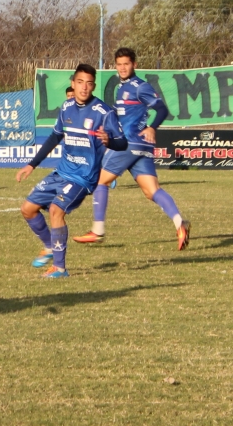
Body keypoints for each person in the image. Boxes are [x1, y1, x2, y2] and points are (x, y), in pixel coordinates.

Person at [15, 63, 127, 278]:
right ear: (73, 84)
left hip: (83, 178)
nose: (84, 87)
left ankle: (60, 268)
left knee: (57, 211)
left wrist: (109, 141)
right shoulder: (66, 108)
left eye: (89, 83)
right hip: (62, 172)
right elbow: (55, 137)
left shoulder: (103, 112)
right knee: (27, 209)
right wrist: (32, 164)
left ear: (93, 86)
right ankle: (49, 246)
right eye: (80, 82)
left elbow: (122, 143)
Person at [73, 47, 190, 249]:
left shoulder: (139, 87)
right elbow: (128, 116)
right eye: (119, 64)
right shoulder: (121, 87)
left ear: (134, 65)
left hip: (130, 143)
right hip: (141, 146)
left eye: (126, 64)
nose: (122, 68)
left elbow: (162, 109)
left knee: (101, 181)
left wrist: (152, 127)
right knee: (151, 190)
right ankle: (180, 223)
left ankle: (98, 230)